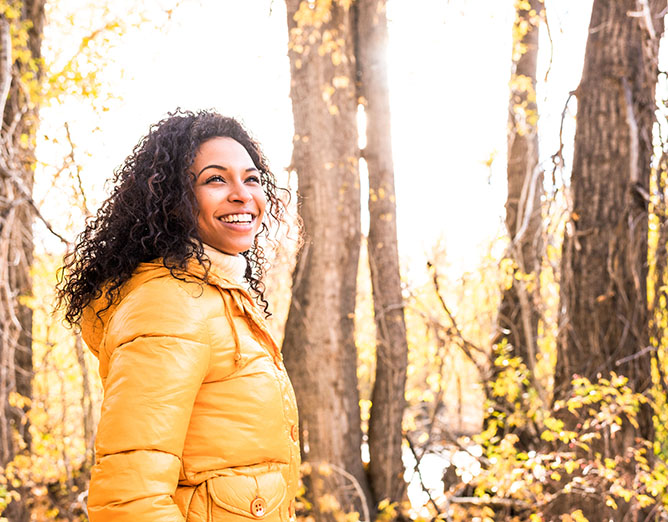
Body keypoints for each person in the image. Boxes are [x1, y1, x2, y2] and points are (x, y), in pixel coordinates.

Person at [56, 109, 300, 522]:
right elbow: (128, 499)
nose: (242, 194)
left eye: (252, 178)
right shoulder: (170, 306)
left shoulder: (221, 299)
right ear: (174, 199)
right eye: (216, 179)